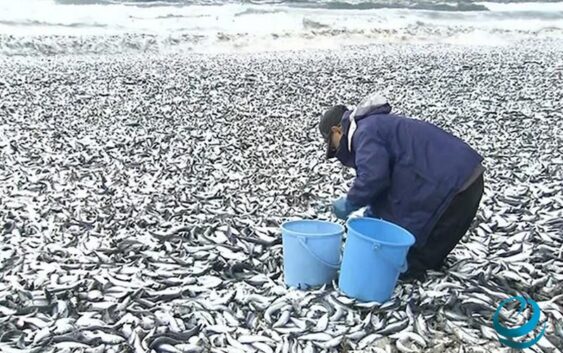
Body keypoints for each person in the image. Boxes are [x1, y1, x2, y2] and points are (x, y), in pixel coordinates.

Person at [319, 93, 485, 281]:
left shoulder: (365, 132)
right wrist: (372, 215)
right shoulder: (373, 127)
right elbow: (385, 183)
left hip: (456, 185)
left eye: (330, 145)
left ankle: (421, 299)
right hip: (461, 179)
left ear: (337, 131)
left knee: (413, 263)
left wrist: (350, 202)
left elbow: (374, 177)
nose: (334, 151)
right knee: (418, 256)